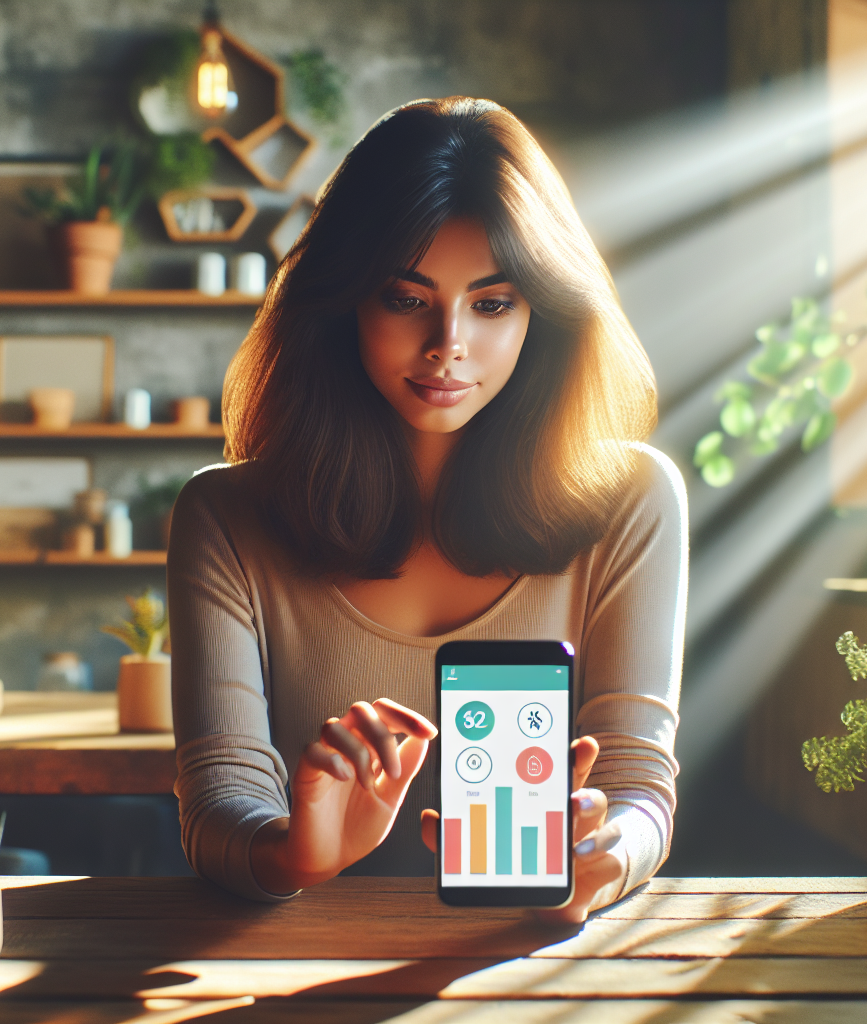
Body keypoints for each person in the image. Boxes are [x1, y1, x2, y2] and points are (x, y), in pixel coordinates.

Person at [168, 96, 687, 921]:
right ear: (341, 305)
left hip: (539, 972)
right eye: (406, 299)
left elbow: (636, 783)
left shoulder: (633, 500)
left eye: (492, 303)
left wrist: (603, 855)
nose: (448, 344)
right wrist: (299, 850)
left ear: (541, 316)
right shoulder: (223, 514)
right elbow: (219, 801)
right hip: (293, 979)